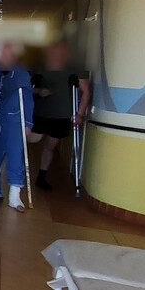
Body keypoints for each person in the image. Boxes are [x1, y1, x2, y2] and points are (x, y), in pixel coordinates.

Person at [32, 41, 90, 190]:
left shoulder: (75, 68)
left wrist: (79, 114)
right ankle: (18, 175)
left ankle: (41, 177)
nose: (59, 53)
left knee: (50, 146)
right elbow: (26, 89)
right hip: (38, 114)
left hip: (60, 116)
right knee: (29, 141)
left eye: (62, 50)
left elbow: (85, 92)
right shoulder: (38, 66)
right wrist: (39, 91)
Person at [0, 42, 34, 211]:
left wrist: (27, 123)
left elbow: (27, 100)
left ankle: (15, 195)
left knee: (15, 156)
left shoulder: (21, 73)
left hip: (14, 120)